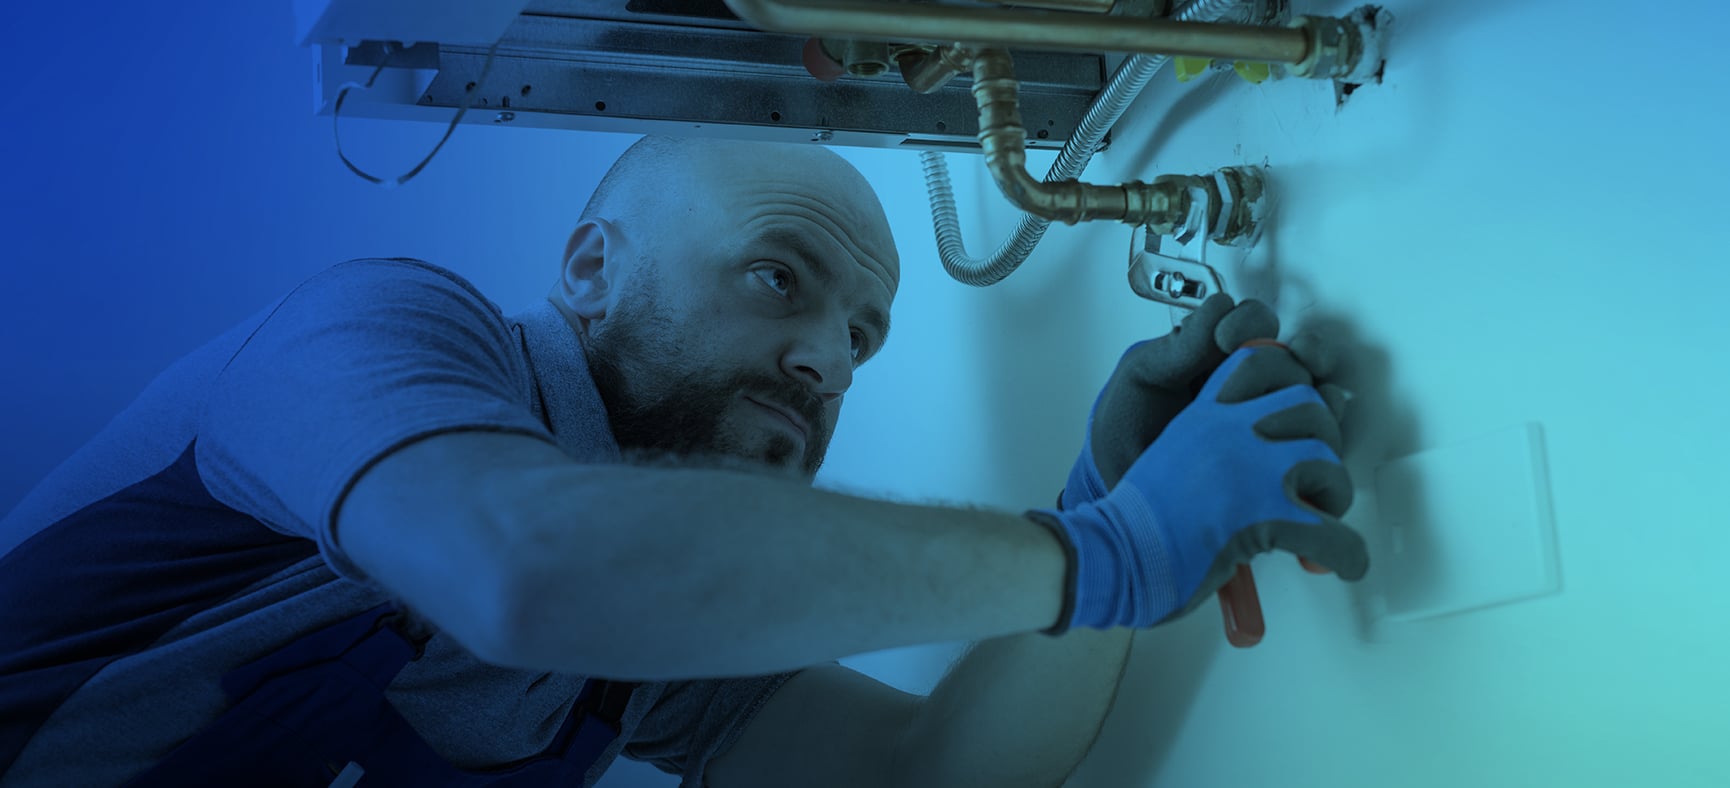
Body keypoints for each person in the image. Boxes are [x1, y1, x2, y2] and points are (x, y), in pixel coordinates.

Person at [0, 135, 1368, 787]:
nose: (827, 360)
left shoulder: (650, 617)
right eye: (780, 277)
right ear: (591, 267)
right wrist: (1113, 557)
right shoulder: (378, 332)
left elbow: (929, 773)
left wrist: (1101, 505)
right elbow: (523, 563)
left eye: (859, 335)